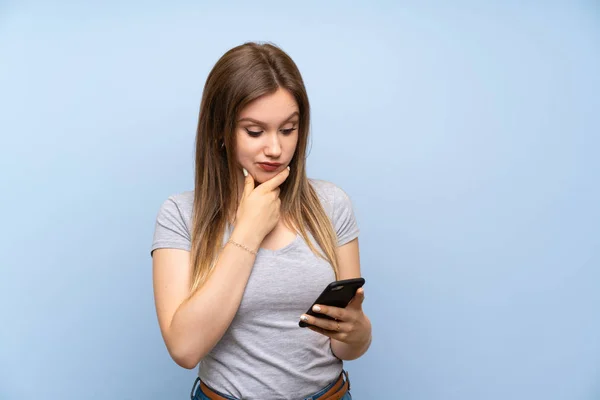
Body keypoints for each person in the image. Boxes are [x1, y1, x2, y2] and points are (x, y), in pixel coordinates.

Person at [150, 41, 372, 400]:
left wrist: (358, 333)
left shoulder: (332, 205)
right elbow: (185, 349)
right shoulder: (179, 215)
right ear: (221, 131)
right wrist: (249, 231)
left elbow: (348, 346)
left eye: (288, 129)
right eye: (255, 131)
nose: (276, 148)